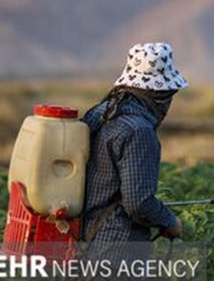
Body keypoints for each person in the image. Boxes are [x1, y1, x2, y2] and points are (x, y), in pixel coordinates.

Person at [80, 42, 188, 243]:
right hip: (115, 245)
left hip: (85, 237)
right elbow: (139, 204)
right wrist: (169, 221)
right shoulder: (139, 131)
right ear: (160, 94)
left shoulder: (101, 112)